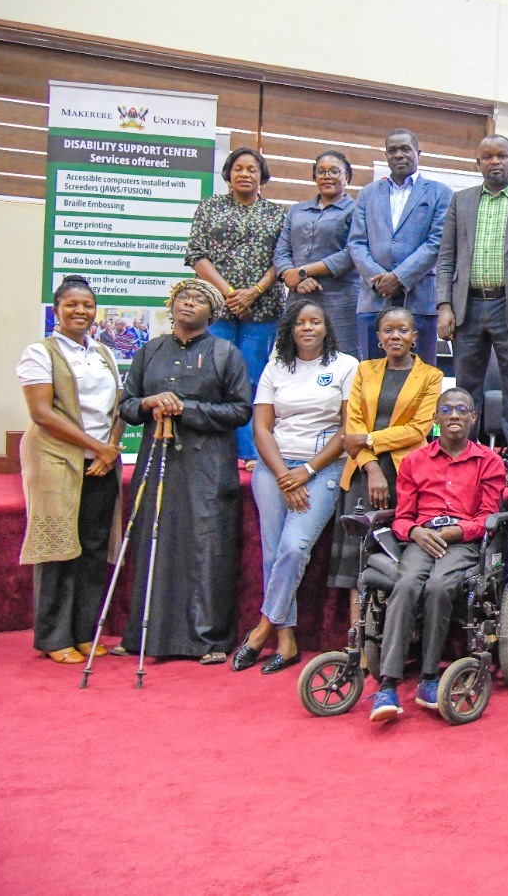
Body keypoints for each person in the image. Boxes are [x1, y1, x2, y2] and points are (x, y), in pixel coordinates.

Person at [117, 280, 253, 663]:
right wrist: (149, 403)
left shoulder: (227, 353)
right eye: (182, 299)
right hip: (157, 459)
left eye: (197, 300)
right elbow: (126, 406)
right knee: (151, 539)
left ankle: (206, 639)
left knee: (206, 544)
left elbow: (240, 411)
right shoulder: (149, 351)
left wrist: (187, 409)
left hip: (207, 465)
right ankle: (143, 635)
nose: (188, 304)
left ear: (212, 313)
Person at [232, 300, 357, 675]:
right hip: (274, 469)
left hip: (323, 468)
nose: (307, 328)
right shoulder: (276, 366)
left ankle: (262, 628)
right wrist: (284, 474)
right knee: (272, 554)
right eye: (300, 322)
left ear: (325, 327)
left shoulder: (345, 365)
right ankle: (286, 642)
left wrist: (305, 470)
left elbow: (347, 428)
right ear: (290, 328)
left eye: (315, 322)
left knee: (292, 548)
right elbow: (262, 428)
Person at [369, 388, 507, 722]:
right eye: (447, 409)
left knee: (439, 586)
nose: (455, 415)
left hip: (461, 540)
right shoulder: (415, 461)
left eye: (463, 409)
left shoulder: (489, 462)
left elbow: (487, 516)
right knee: (404, 585)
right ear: (435, 418)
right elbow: (402, 517)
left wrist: (456, 532)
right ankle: (388, 683)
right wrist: (416, 532)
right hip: (422, 537)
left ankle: (429, 676)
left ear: (474, 418)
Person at [17, 275, 125, 664]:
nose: (81, 311)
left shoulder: (103, 352)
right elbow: (42, 413)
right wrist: (97, 447)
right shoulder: (40, 352)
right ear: (56, 310)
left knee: (94, 547)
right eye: (72, 305)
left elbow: (118, 407)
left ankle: (83, 633)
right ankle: (52, 637)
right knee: (58, 547)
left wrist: (108, 450)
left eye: (88, 305)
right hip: (55, 458)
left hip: (99, 462)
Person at [437, 134, 508, 484]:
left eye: (501, 155)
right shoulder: (461, 201)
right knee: (466, 386)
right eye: (487, 156)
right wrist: (445, 305)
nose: (495, 162)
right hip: (468, 306)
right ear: (478, 163)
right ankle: (466, 457)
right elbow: (446, 258)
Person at [331, 307, 443, 627]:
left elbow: (418, 430)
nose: (396, 336)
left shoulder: (431, 376)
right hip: (363, 475)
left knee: (400, 556)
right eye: (389, 330)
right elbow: (352, 427)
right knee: (358, 559)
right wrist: (372, 467)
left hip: (407, 475)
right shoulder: (364, 370)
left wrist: (368, 438)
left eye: (403, 330)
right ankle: (359, 637)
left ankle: (399, 630)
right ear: (379, 337)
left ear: (415, 337)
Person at [185, 146, 285, 464]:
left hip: (263, 309)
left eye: (252, 169)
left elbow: (283, 260)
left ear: (262, 177)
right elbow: (196, 255)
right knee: (214, 377)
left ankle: (251, 450)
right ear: (228, 175)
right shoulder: (209, 208)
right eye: (238, 168)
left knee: (254, 378)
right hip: (216, 309)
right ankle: (215, 447)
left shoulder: (277, 214)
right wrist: (230, 293)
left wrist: (253, 292)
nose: (245, 174)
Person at [348, 128, 452, 363]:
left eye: (405, 149)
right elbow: (356, 243)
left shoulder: (439, 193)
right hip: (374, 299)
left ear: (418, 152)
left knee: (419, 379)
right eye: (392, 150)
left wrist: (399, 277)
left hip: (419, 300)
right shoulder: (367, 194)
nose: (399, 155)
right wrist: (379, 279)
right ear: (386, 155)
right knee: (373, 378)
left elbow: (437, 242)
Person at [274, 149, 359, 354]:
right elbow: (281, 250)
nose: (327, 176)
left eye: (334, 171)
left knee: (342, 358)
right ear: (314, 177)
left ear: (346, 177)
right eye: (321, 171)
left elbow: (352, 252)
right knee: (292, 357)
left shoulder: (356, 210)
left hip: (340, 299)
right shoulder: (297, 210)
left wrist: (303, 271)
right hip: (298, 296)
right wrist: (292, 276)